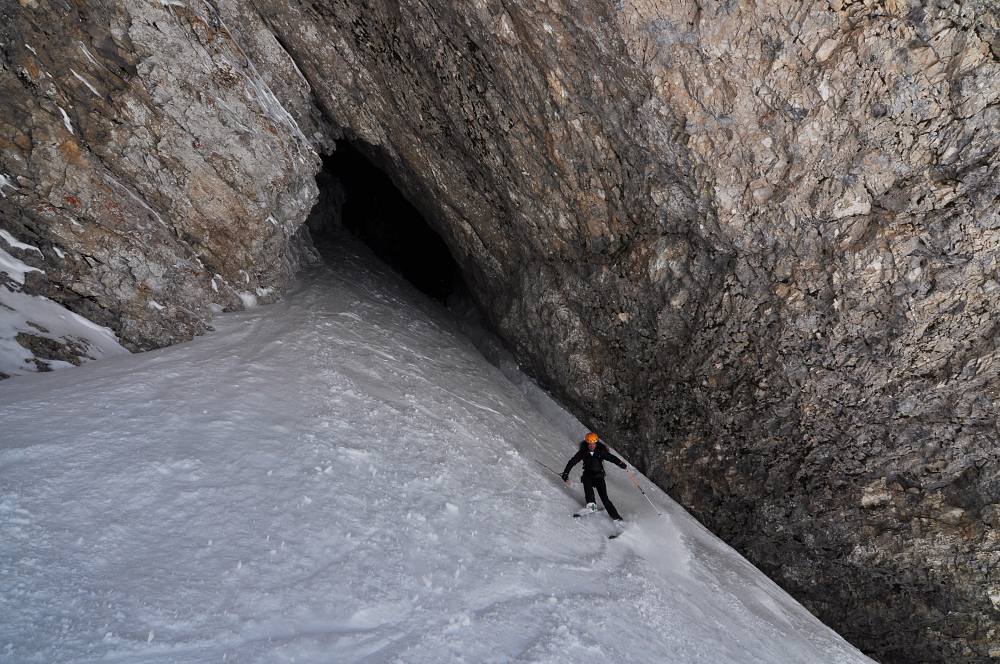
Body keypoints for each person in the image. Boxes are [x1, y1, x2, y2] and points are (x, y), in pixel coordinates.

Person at [561, 432, 629, 522]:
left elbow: (612, 458)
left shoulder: (600, 452)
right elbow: (572, 461)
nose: (592, 445)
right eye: (590, 443)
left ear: (596, 443)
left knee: (605, 499)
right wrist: (566, 473)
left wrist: (621, 464)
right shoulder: (583, 452)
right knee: (587, 484)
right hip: (588, 475)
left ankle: (617, 518)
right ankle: (591, 505)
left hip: (599, 476)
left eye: (593, 443)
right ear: (587, 443)